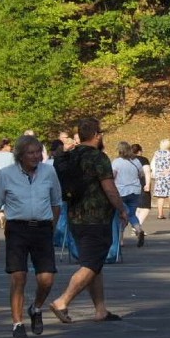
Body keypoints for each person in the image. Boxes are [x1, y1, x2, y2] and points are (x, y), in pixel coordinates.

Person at [48, 118, 129, 323]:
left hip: (75, 215)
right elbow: (109, 188)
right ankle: (62, 301)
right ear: (96, 135)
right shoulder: (98, 157)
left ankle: (100, 309)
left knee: (95, 263)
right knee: (91, 264)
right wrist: (122, 209)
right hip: (97, 217)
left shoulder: (71, 156)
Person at [0, 136, 62, 338]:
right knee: (18, 277)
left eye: (38, 151)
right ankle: (17, 324)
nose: (36, 156)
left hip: (43, 228)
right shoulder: (6, 175)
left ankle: (35, 308)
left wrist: (52, 227)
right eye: (31, 152)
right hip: (17, 228)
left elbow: (56, 203)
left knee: (47, 279)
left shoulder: (49, 171)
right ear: (20, 155)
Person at [112, 141, 146, 247]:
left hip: (121, 191)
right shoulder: (136, 161)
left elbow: (112, 176)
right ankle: (138, 229)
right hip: (135, 190)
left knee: (121, 214)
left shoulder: (116, 162)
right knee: (131, 213)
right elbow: (141, 174)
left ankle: (120, 240)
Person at [152, 139, 170, 219]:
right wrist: (168, 169)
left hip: (160, 176)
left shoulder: (156, 153)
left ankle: (160, 214)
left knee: (160, 196)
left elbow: (152, 163)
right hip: (169, 175)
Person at [131, 143, 152, 228]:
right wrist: (148, 184)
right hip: (142, 184)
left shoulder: (128, 159)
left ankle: (135, 224)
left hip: (131, 184)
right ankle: (137, 226)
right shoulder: (143, 159)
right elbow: (147, 172)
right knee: (146, 207)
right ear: (139, 151)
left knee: (137, 206)